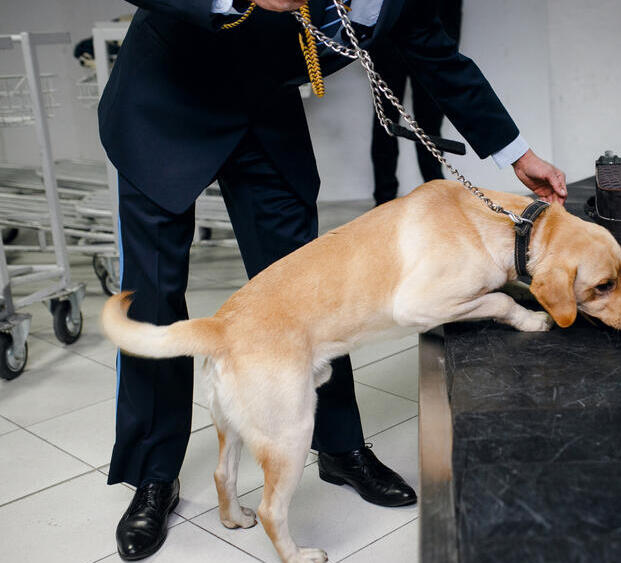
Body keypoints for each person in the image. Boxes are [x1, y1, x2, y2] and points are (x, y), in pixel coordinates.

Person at [98, 0, 567, 560]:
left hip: (264, 117)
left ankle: (340, 448)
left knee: (321, 290)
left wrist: (518, 154)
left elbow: (441, 60)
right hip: (165, 103)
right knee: (153, 298)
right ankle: (154, 474)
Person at [369, 0, 461, 205]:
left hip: (434, 36)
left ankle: (437, 191)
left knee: (430, 120)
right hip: (388, 35)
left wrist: (449, 45)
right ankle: (384, 198)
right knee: (385, 118)